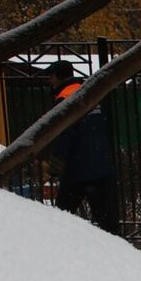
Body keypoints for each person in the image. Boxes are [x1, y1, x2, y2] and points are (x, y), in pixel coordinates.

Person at [43, 61, 121, 235]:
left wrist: (55, 166)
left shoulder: (64, 99)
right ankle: (117, 255)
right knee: (108, 224)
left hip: (77, 169)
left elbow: (65, 135)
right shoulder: (90, 92)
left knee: (62, 217)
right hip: (102, 166)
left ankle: (61, 250)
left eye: (50, 77)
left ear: (57, 77)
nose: (49, 81)